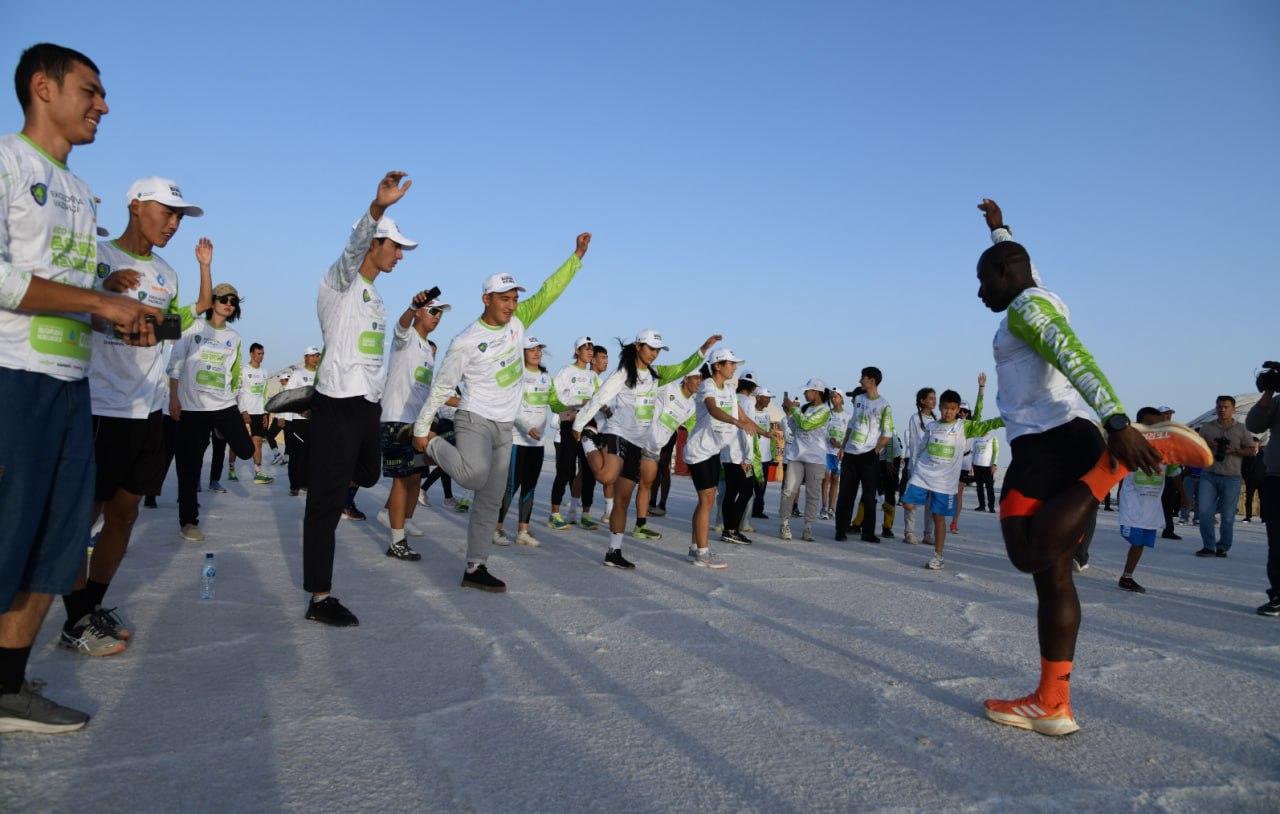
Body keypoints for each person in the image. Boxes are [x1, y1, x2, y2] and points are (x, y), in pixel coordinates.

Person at [972, 198, 1210, 737]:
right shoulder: (1042, 293)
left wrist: (1120, 424)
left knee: (1028, 550)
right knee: (1052, 577)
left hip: (1048, 441)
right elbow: (1027, 269)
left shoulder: (1026, 310)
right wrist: (999, 231)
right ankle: (1053, 702)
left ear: (1009, 275)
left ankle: (1114, 467)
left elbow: (1072, 353)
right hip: (1067, 437)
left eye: (984, 279)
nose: (980, 290)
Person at [0, 43, 168, 734]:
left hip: (72, 388)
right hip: (15, 384)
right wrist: (100, 304)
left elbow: (64, 293)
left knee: (60, 541)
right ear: (44, 87)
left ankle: (7, 688)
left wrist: (112, 311)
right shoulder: (8, 162)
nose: (103, 104)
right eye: (91, 91)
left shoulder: (79, 189)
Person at [61, 178, 211, 657]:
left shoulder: (166, 273)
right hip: (101, 406)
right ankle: (75, 620)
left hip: (146, 411)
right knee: (83, 518)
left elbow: (173, 326)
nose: (173, 223)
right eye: (166, 212)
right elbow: (70, 312)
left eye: (179, 217)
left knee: (124, 514)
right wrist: (103, 293)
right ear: (135, 204)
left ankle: (92, 606)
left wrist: (150, 322)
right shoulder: (99, 256)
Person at [413, 233, 591, 593]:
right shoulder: (464, 341)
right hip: (474, 418)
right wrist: (420, 429)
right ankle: (433, 444)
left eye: (514, 299)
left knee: (491, 499)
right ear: (486, 299)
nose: (512, 305)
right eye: (504, 299)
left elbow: (548, 292)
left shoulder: (519, 322)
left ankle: (475, 567)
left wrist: (576, 257)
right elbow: (444, 386)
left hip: (505, 427)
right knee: (472, 475)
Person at [302, 172, 418, 626]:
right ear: (375, 244)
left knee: (370, 474)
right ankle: (319, 597)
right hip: (336, 402)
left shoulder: (377, 299)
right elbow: (351, 250)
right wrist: (377, 208)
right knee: (325, 506)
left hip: (366, 407)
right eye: (395, 248)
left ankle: (319, 456)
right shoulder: (338, 285)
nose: (399, 256)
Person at [573, 331, 714, 565]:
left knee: (623, 499)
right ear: (638, 346)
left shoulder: (656, 375)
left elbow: (682, 367)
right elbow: (600, 397)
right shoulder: (624, 373)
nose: (654, 354)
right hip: (618, 432)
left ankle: (614, 552)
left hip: (638, 442)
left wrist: (702, 350)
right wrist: (580, 423)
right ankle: (590, 439)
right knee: (606, 475)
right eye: (651, 348)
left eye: (658, 350)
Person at [169, 283, 254, 542]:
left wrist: (240, 407)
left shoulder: (235, 338)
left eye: (233, 301)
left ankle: (220, 428)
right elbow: (175, 365)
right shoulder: (193, 328)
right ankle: (188, 521)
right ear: (212, 301)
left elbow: (236, 375)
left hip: (224, 404)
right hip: (193, 406)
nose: (229, 303)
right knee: (189, 466)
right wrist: (173, 397)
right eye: (223, 299)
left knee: (247, 450)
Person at [376, 292, 449, 560]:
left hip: (417, 422)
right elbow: (401, 325)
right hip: (397, 418)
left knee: (416, 476)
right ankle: (396, 541)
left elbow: (427, 391)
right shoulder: (405, 339)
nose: (437, 317)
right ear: (419, 312)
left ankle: (401, 521)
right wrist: (412, 307)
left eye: (440, 313)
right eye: (433, 311)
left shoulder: (429, 351)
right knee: (402, 479)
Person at [901, 377, 1002, 570]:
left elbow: (988, 422)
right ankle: (917, 518)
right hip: (923, 475)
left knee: (939, 518)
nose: (949, 412)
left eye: (953, 409)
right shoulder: (932, 426)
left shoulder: (963, 427)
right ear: (940, 407)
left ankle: (938, 556)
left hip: (945, 483)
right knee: (907, 502)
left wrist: (1009, 416)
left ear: (958, 410)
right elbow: (921, 448)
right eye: (946, 407)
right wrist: (912, 469)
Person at [681, 349, 756, 568]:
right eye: (731, 364)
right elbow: (713, 409)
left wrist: (766, 433)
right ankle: (703, 553)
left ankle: (694, 549)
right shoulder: (708, 385)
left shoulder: (731, 390)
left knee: (706, 501)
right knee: (707, 501)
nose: (734, 367)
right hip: (699, 451)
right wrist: (736, 422)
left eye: (735, 364)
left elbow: (745, 418)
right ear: (717, 365)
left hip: (713, 451)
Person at [495, 336, 556, 548]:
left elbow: (555, 402)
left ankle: (523, 530)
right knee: (511, 486)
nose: (537, 353)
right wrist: (526, 428)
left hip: (537, 444)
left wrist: (570, 408)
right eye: (532, 349)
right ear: (522, 353)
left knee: (530, 486)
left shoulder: (546, 377)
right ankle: (497, 528)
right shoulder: (516, 375)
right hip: (517, 440)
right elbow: (512, 407)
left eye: (539, 349)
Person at [1115, 407, 1184, 593]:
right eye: (1149, 423)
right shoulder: (1130, 444)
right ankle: (1126, 577)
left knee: (1141, 543)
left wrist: (1184, 495)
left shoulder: (1166, 448)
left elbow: (1174, 472)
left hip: (1151, 505)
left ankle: (1127, 577)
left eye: (1157, 423)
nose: (1153, 427)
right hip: (1132, 503)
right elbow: (1114, 466)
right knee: (1135, 541)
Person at [548, 336, 600, 530]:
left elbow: (598, 400)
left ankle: (585, 515)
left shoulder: (593, 377)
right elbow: (554, 397)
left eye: (591, 349)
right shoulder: (566, 371)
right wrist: (575, 404)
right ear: (577, 351)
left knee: (588, 471)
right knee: (566, 469)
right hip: (570, 424)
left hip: (587, 426)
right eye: (585, 348)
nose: (589, 352)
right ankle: (555, 514)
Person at [836, 367, 894, 542]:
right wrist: (843, 447)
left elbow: (887, 433)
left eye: (863, 377)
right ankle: (841, 530)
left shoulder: (884, 405)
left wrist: (875, 450)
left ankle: (868, 532)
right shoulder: (859, 399)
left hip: (869, 456)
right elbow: (852, 425)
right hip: (851, 455)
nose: (860, 380)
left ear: (872, 380)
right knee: (846, 494)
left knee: (869, 496)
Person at [1194, 395, 1256, 557]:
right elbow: (1197, 446)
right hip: (1209, 474)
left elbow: (1251, 450)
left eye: (1226, 406)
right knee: (1205, 513)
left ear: (1233, 409)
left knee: (1228, 517)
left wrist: (1234, 451)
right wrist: (1210, 445)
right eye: (1219, 406)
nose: (1222, 409)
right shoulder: (1206, 427)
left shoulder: (1242, 429)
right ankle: (1208, 546)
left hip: (1231, 476)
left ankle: (1222, 546)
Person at [779, 380, 832, 541]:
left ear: (816, 392)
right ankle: (784, 524)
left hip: (815, 458)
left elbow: (807, 424)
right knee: (788, 491)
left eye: (807, 391)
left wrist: (794, 409)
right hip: (796, 456)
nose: (804, 394)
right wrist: (789, 413)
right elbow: (794, 428)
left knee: (812, 494)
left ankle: (808, 527)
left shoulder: (825, 411)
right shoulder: (803, 409)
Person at [1246, 374, 1279, 616]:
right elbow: (1255, 425)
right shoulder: (1277, 402)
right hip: (1276, 480)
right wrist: (1268, 391)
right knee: (1277, 542)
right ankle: (1278, 594)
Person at [231, 342, 275, 485]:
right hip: (244, 412)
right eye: (258, 354)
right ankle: (231, 468)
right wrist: (243, 410)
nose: (261, 356)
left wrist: (265, 413)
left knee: (257, 442)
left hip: (259, 412)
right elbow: (237, 392)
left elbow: (265, 393)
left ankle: (258, 473)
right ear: (251, 354)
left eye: (262, 354)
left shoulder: (265, 372)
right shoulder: (243, 370)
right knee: (237, 442)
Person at [901, 387, 938, 546]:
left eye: (934, 398)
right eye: (930, 398)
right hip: (918, 466)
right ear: (922, 401)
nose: (933, 401)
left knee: (931, 502)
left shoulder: (937, 421)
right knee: (913, 500)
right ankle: (909, 532)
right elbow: (915, 443)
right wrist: (914, 466)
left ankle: (928, 534)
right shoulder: (915, 419)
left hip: (933, 468)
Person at [280, 349, 319, 495]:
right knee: (296, 454)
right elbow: (288, 395)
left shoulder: (320, 375)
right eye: (312, 356)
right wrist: (284, 417)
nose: (315, 359)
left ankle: (306, 483)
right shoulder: (297, 374)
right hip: (298, 420)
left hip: (314, 421)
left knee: (310, 453)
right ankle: (294, 486)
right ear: (306, 357)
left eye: (317, 356)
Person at [749, 388, 780, 520]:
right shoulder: (750, 412)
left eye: (769, 398)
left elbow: (768, 433)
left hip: (765, 456)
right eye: (766, 397)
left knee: (761, 485)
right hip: (752, 455)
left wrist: (772, 451)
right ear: (758, 397)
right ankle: (747, 510)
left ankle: (758, 510)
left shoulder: (767, 415)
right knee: (749, 485)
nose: (768, 400)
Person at [822, 389, 847, 520]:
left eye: (836, 397)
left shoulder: (847, 416)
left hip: (839, 453)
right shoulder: (827, 414)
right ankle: (824, 507)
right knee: (826, 479)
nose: (833, 399)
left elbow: (849, 434)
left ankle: (832, 508)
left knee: (835, 480)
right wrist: (830, 439)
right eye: (832, 397)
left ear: (842, 399)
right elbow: (824, 430)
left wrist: (841, 447)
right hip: (827, 450)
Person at [970, 425, 999, 512]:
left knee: (989, 487)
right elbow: (973, 452)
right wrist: (971, 465)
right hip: (977, 465)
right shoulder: (976, 438)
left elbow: (996, 451)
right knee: (979, 487)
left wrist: (994, 464)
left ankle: (991, 507)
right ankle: (981, 506)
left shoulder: (992, 437)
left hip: (988, 467)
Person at [1242, 437, 1264, 523]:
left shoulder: (1264, 454)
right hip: (1250, 480)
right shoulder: (1247, 454)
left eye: (1256, 443)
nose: (1254, 445)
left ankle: (1264, 517)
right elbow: (1243, 468)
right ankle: (1248, 516)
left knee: (1263, 499)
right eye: (1253, 443)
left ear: (1258, 444)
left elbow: (1267, 467)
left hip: (1262, 480)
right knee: (1249, 499)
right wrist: (1246, 478)